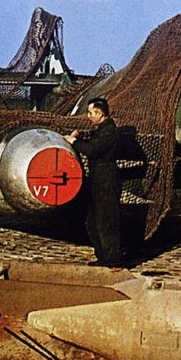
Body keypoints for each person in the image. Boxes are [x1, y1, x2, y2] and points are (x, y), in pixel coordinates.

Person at [64, 97, 123, 267]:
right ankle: (103, 256)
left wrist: (74, 141)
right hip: (99, 180)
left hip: (106, 180)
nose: (88, 116)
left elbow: (92, 149)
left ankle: (113, 260)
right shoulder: (102, 130)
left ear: (99, 113)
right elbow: (94, 141)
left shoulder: (110, 131)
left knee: (106, 221)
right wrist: (80, 136)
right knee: (94, 220)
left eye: (91, 113)